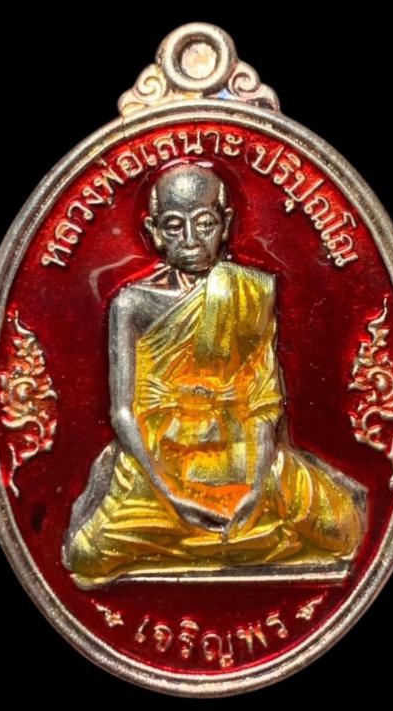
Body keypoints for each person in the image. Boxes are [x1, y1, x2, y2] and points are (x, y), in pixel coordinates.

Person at [64, 164, 365, 588]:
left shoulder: (250, 291)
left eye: (204, 223)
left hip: (239, 449)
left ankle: (217, 537)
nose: (190, 239)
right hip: (161, 456)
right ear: (153, 232)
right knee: (88, 555)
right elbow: (123, 412)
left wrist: (257, 486)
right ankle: (223, 539)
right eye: (174, 226)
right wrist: (171, 497)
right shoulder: (132, 304)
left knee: (343, 529)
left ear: (225, 224)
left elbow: (263, 400)